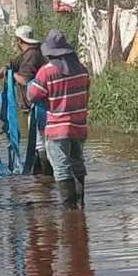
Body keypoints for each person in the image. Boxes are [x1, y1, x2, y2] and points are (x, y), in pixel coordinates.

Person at [27, 29, 90, 209]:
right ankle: (80, 205)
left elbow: (32, 95)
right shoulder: (82, 69)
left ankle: (69, 210)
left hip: (57, 128)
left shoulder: (47, 72)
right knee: (78, 164)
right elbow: (86, 94)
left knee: (62, 168)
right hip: (79, 126)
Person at [0, 25, 52, 178]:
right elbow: (9, 65)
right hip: (36, 104)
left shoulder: (32, 55)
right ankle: (39, 176)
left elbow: (24, 79)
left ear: (19, 40)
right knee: (39, 140)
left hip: (39, 104)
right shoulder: (30, 53)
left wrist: (11, 75)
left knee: (40, 141)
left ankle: (46, 175)